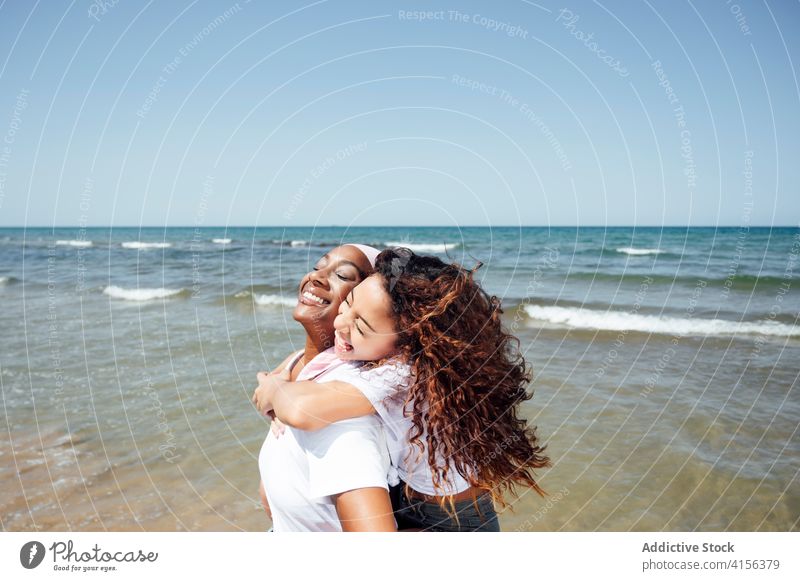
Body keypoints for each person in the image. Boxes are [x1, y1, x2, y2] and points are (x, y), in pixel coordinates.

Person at [255, 248, 550, 531]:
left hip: (452, 522)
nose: (341, 323)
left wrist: (275, 388)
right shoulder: (390, 356)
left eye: (361, 326)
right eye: (349, 303)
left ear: (407, 343)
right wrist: (281, 377)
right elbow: (306, 367)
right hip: (413, 497)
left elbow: (301, 409)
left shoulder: (402, 372)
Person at [256, 243, 397, 531]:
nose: (316, 277)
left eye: (343, 276)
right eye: (319, 266)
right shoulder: (297, 365)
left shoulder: (338, 410)